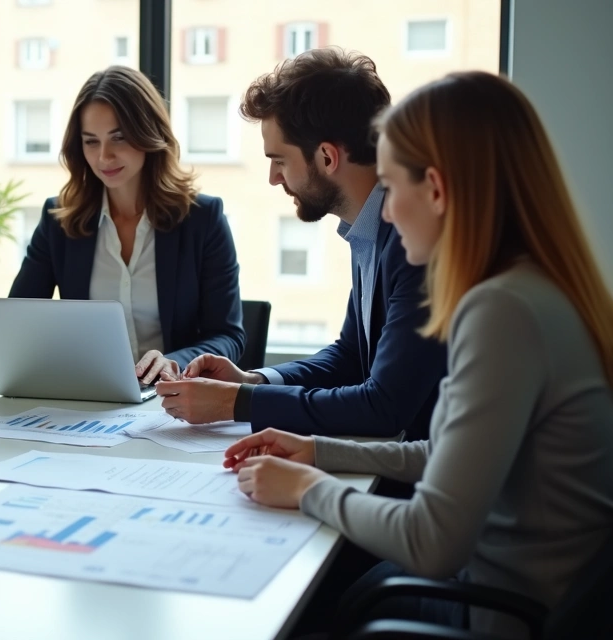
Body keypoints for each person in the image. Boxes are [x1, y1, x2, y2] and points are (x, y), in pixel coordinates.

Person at [224, 71, 613, 637]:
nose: (383, 212)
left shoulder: (502, 311)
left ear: (435, 189)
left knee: (302, 608)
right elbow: (449, 451)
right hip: (500, 588)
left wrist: (305, 488)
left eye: (392, 183)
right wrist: (315, 451)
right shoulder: (533, 287)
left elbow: (430, 542)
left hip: (495, 611)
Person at [157, 48, 446, 442]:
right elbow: (350, 356)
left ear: (327, 157)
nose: (274, 178)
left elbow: (384, 407)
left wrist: (233, 404)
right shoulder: (369, 227)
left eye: (279, 160)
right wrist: (252, 381)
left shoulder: (412, 242)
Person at [9, 66, 244, 385]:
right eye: (91, 142)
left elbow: (228, 336)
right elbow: (14, 326)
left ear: (150, 134)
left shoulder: (203, 219)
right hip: (88, 397)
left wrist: (173, 362)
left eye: (119, 138)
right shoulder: (59, 219)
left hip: (172, 402)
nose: (104, 157)